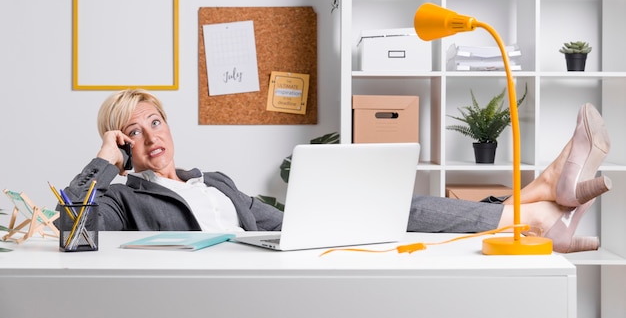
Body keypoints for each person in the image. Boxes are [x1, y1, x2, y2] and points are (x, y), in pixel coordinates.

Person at [59, 89, 612, 253]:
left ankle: (537, 202)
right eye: (133, 131)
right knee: (396, 214)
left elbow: (268, 216)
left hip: (282, 243)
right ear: (120, 145)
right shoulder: (121, 197)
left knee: (399, 206)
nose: (152, 136)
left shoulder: (213, 181)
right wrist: (102, 163)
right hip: (236, 276)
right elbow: (72, 229)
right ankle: (541, 203)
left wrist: (317, 215)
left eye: (156, 120)